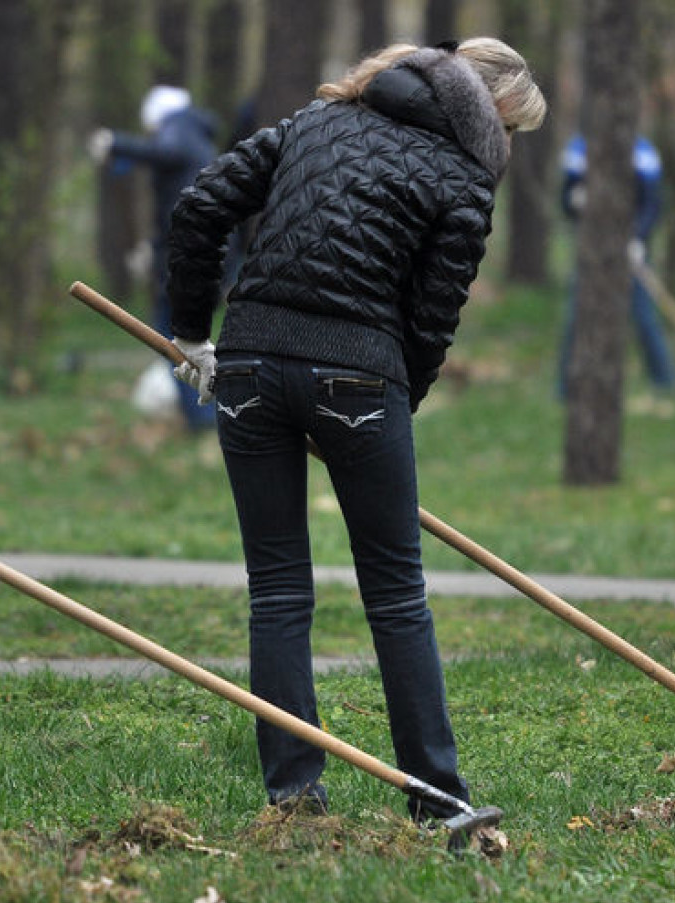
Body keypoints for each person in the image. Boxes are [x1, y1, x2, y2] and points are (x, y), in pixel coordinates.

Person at [162, 40, 546, 818]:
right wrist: (381, 417)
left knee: (275, 590)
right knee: (398, 593)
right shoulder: (464, 180)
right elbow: (431, 321)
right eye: (516, 130)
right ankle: (439, 801)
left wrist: (195, 336)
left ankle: (294, 799)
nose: (511, 146)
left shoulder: (315, 120)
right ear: (491, 114)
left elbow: (202, 204)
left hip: (249, 366)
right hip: (360, 377)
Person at [89, 85, 220, 431]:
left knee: (174, 339)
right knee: (181, 337)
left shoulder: (180, 130)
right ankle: (203, 416)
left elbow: (166, 152)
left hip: (189, 263)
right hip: (190, 257)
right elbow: (177, 206)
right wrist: (154, 247)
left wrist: (117, 143)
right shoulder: (195, 137)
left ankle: (203, 419)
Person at [557, 133, 675, 394]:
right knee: (577, 317)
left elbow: (653, 203)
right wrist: (575, 200)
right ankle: (565, 389)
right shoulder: (579, 148)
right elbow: (566, 199)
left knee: (643, 317)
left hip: (631, 248)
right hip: (590, 249)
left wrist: (638, 238)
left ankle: (665, 383)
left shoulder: (643, 151)